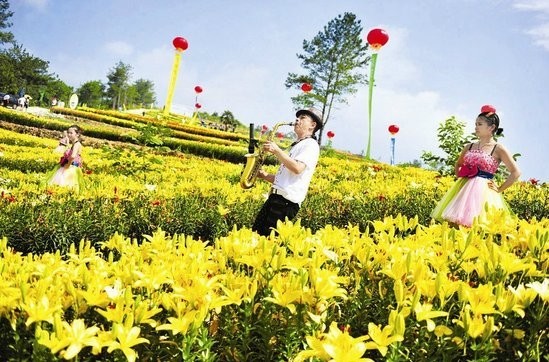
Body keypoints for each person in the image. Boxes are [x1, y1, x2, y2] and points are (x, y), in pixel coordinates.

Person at [431, 105, 521, 227]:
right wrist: (461, 177)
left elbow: (515, 172)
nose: (476, 127)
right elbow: (458, 164)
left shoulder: (498, 148)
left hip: (484, 192)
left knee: (479, 225)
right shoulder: (469, 146)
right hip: (463, 189)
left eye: (479, 124)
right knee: (455, 224)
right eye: (475, 124)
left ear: (492, 127)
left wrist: (499, 189)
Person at [252, 107, 322, 236]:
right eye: (298, 117)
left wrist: (277, 151)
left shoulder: (311, 145)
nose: (297, 120)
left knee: (266, 242)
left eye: (302, 118)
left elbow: (297, 168)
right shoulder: (299, 144)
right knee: (256, 235)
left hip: (286, 203)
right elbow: (285, 179)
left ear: (312, 125)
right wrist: (264, 175)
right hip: (276, 198)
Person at [47, 125, 84, 192]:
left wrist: (67, 165)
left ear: (77, 134)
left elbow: (73, 156)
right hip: (71, 166)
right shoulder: (75, 143)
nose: (69, 135)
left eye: (71, 133)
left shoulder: (76, 144)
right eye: (68, 133)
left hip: (71, 167)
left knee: (64, 185)